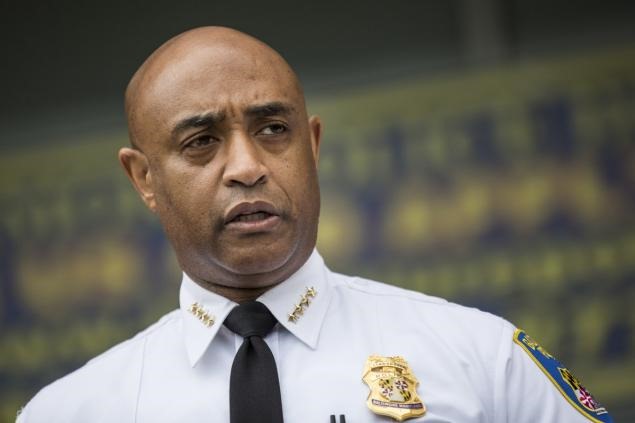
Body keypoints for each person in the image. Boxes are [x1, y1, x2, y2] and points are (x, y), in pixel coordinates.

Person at [18, 27, 612, 423]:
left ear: (314, 144)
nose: (247, 167)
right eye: (201, 141)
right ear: (144, 178)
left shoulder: (481, 359)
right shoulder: (69, 412)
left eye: (273, 129)